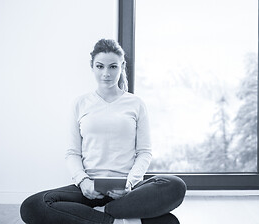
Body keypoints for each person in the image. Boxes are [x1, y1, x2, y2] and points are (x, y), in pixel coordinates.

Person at [20, 39, 186, 224]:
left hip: (128, 189)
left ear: (121, 67)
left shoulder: (136, 104)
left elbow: (144, 152)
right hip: (89, 187)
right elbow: (72, 153)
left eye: (113, 67)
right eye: (100, 66)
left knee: (175, 185)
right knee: (33, 205)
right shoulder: (80, 103)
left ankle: (105, 214)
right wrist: (83, 182)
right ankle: (113, 220)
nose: (106, 73)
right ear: (92, 67)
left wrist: (129, 184)